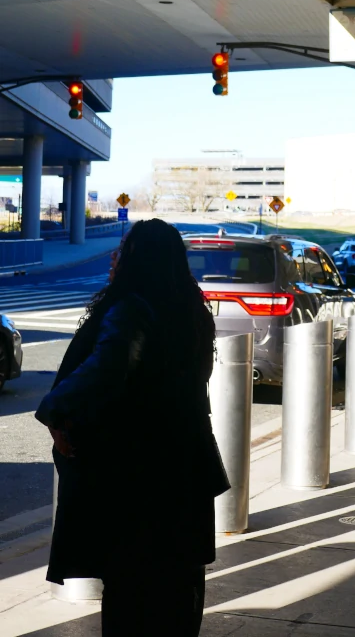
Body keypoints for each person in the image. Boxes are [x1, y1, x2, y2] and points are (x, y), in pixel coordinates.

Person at [36, 219, 229, 636]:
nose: (113, 257)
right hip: (188, 471)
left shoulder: (132, 308)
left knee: (133, 596)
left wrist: (53, 407)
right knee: (179, 592)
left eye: (122, 250)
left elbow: (108, 368)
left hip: (140, 480)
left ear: (135, 259)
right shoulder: (191, 310)